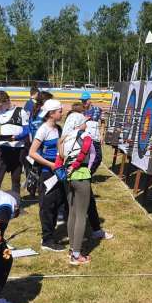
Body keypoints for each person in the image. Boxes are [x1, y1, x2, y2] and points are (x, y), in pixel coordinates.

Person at [28, 98, 67, 252]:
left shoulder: (59, 128)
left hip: (59, 172)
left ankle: (51, 235)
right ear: (51, 114)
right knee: (47, 207)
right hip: (47, 173)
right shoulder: (43, 129)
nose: (62, 113)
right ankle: (47, 240)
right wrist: (51, 164)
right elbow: (32, 152)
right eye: (60, 111)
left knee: (58, 203)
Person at [56, 112, 95, 265]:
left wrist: (64, 171)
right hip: (81, 176)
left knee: (72, 213)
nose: (87, 124)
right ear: (78, 124)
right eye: (85, 121)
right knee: (81, 215)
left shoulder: (64, 138)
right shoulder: (85, 135)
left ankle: (72, 249)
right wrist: (76, 166)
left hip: (67, 178)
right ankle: (77, 255)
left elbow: (58, 159)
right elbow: (86, 150)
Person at [0, 90, 28, 197]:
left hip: (19, 150)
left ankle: (16, 204)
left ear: (7, 100)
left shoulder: (21, 111)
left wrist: (16, 137)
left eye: (0, 105)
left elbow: (27, 131)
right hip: (4, 150)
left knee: (16, 179)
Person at [80, 92, 104, 174]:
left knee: (98, 158)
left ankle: (89, 173)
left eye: (85, 100)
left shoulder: (98, 110)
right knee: (84, 157)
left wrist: (101, 135)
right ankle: (84, 174)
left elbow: (103, 122)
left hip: (95, 137)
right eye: (82, 101)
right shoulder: (80, 111)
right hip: (83, 137)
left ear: (90, 100)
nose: (83, 102)